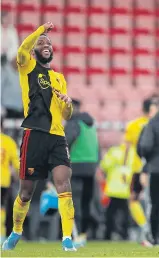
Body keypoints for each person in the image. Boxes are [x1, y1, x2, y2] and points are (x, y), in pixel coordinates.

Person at [2, 22, 77, 251]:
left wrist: (68, 104)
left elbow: (66, 114)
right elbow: (22, 50)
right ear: (35, 50)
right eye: (41, 43)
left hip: (57, 137)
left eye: (49, 43)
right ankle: (16, 231)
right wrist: (39, 31)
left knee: (64, 184)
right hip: (34, 135)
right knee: (26, 193)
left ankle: (67, 239)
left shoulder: (59, 78)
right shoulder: (27, 67)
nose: (46, 45)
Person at [65, 99, 99, 246]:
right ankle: (83, 234)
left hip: (76, 167)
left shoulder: (73, 123)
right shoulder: (90, 124)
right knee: (86, 202)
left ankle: (74, 234)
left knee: (72, 202)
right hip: (91, 167)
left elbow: (66, 142)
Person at [138, 97, 159, 245]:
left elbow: (145, 146)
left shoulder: (153, 123)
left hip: (157, 168)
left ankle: (154, 236)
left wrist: (148, 159)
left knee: (155, 204)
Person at [124, 98, 152, 246]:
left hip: (137, 167)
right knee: (153, 200)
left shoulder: (133, 125)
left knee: (133, 199)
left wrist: (123, 168)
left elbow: (126, 149)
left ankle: (144, 225)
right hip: (154, 167)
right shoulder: (158, 124)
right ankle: (151, 229)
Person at [100, 133, 135, 241]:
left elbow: (104, 166)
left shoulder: (114, 151)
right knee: (125, 213)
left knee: (111, 213)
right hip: (126, 188)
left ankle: (108, 235)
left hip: (114, 188)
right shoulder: (133, 153)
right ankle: (125, 235)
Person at [0, 119, 20, 243]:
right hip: (3, 180)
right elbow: (16, 163)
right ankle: (1, 234)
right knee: (1, 207)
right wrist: (18, 175)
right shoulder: (9, 141)